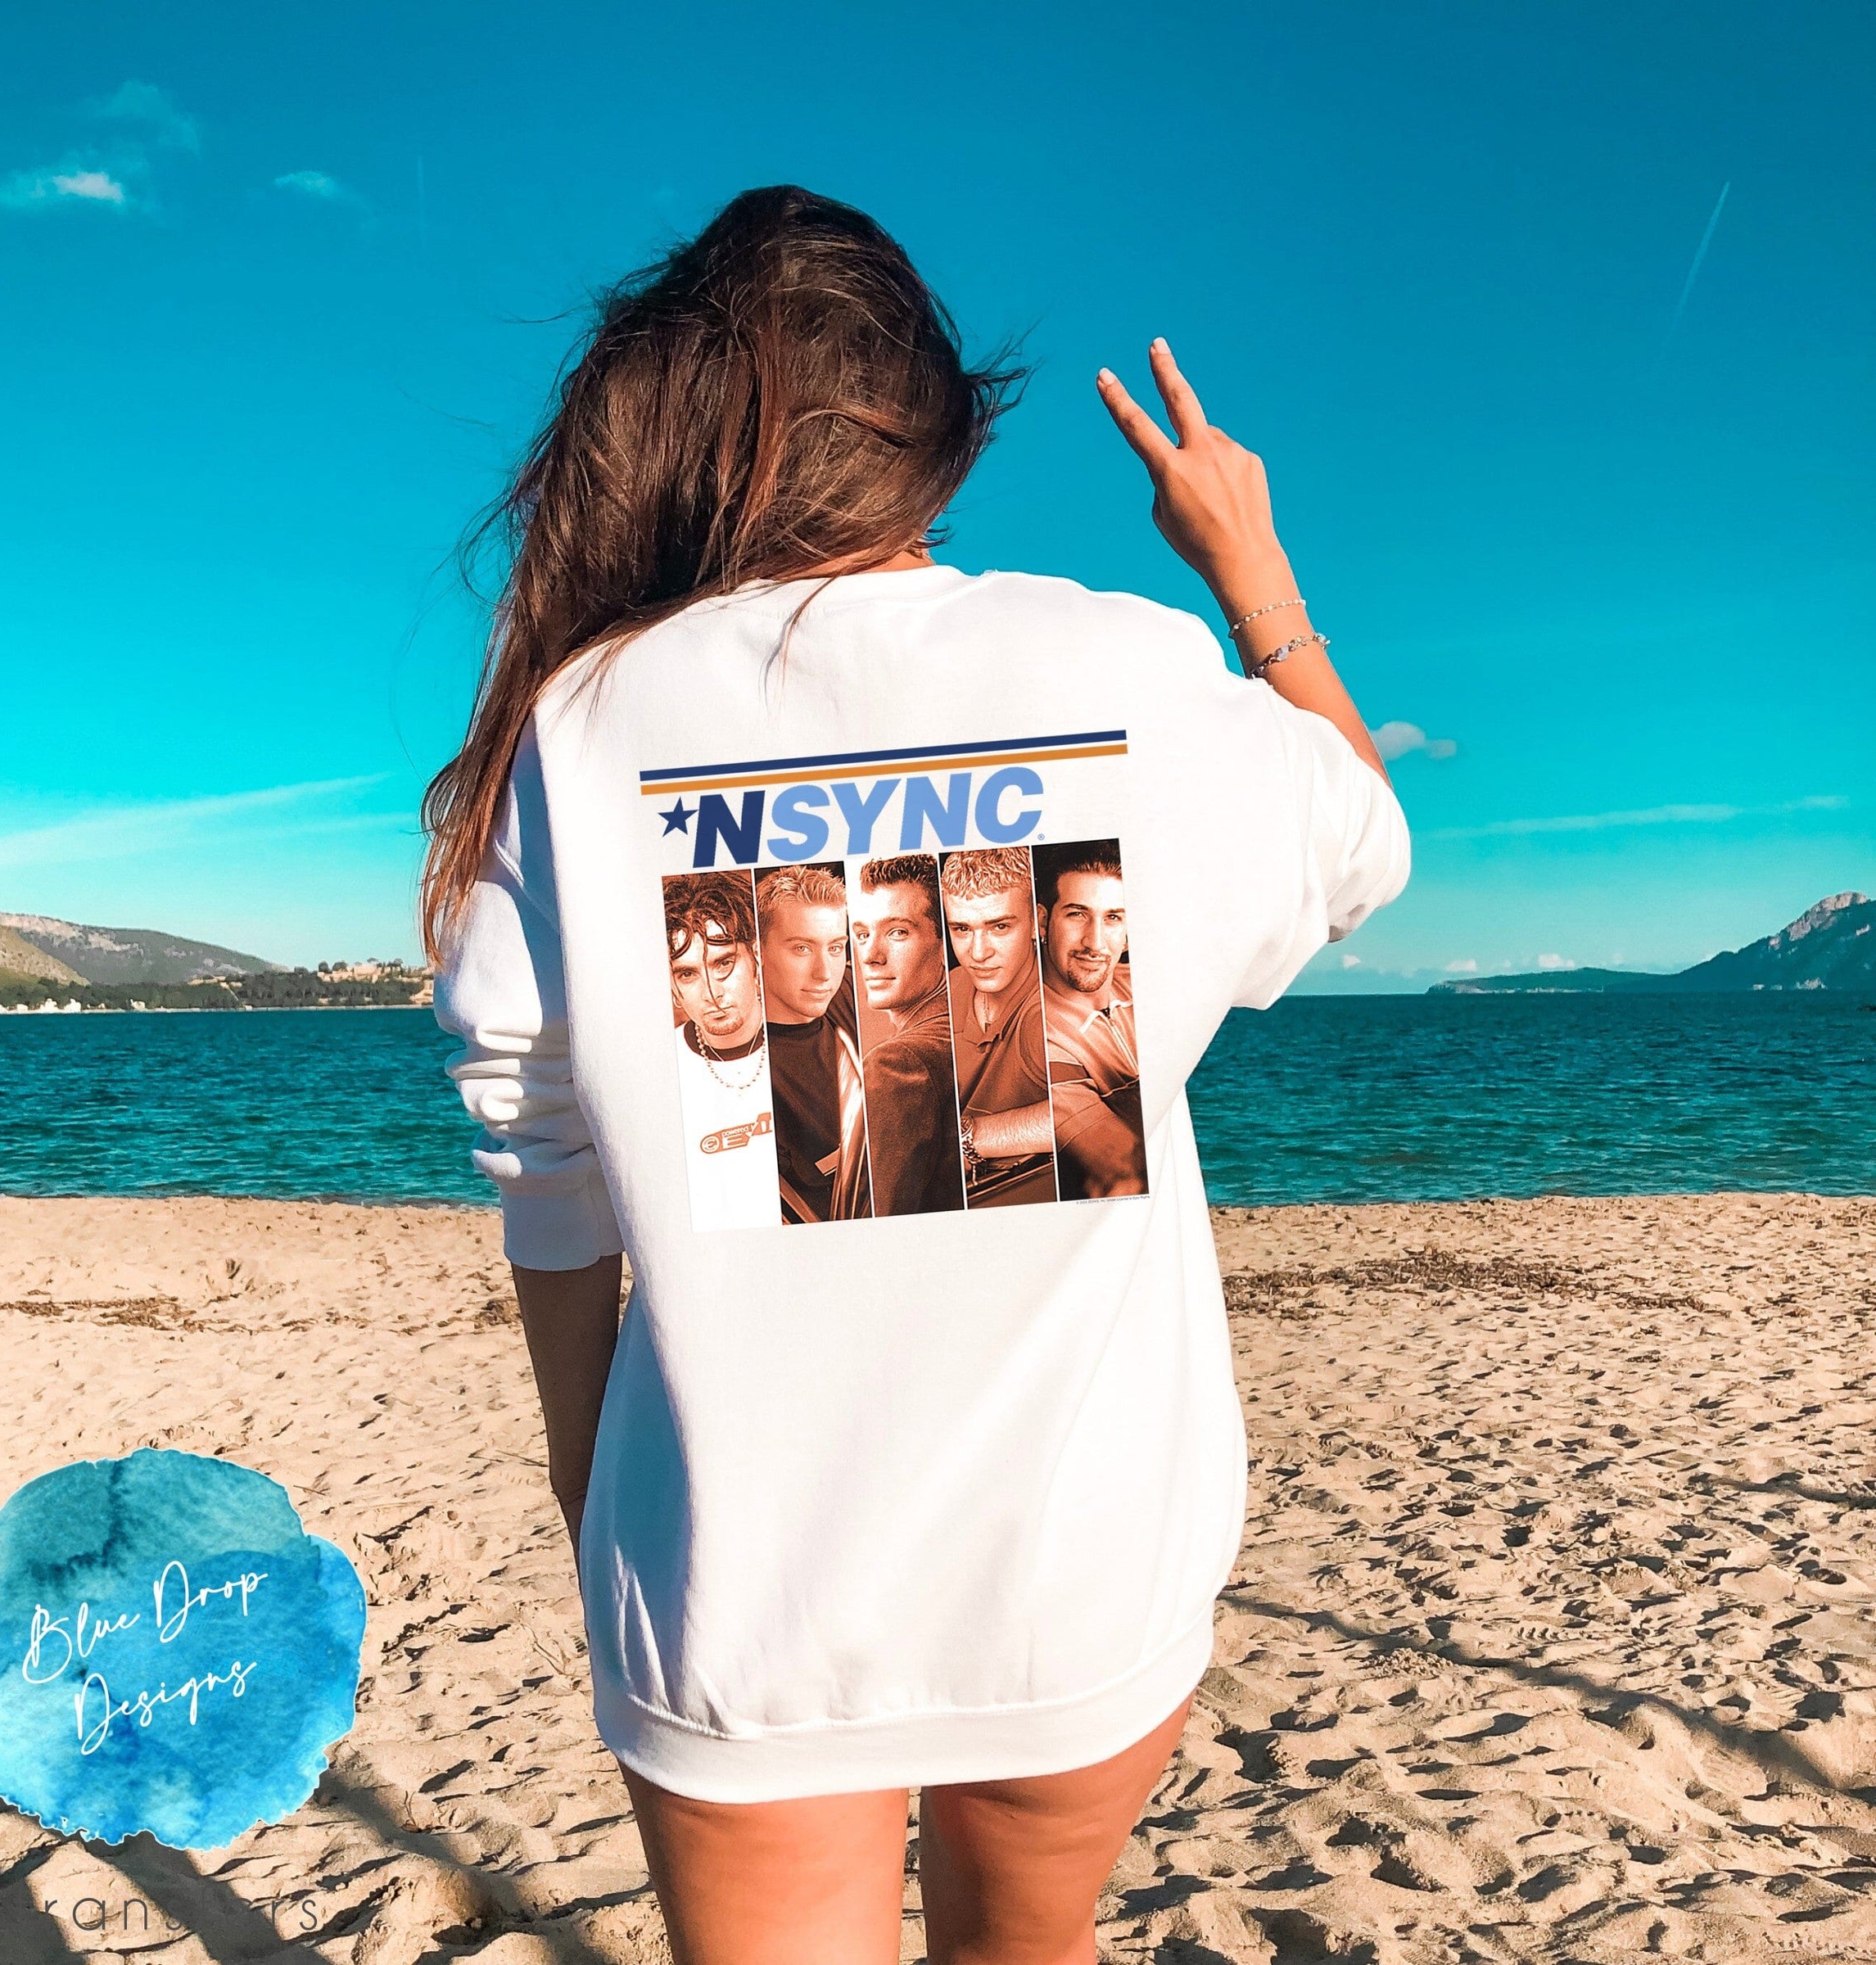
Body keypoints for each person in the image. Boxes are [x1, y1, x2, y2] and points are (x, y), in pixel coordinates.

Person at [430, 186, 1408, 1965]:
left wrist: (597, 1494)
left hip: (738, 1589)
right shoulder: (1131, 667)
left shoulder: (585, 719)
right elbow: (1364, 839)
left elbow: (541, 1158)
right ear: (937, 433)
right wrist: (1252, 576)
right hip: (1078, 1566)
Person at [939, 847, 1057, 1208]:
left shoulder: (1058, 1002)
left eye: (1000, 927)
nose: (978, 953)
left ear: (1038, 922)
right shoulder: (949, 990)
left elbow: (1101, 1111)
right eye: (962, 929)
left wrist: (965, 1139)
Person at [756, 862, 870, 1223]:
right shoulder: (746, 1067)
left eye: (835, 948)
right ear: (758, 951)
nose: (824, 974)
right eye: (802, 948)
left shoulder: (854, 992)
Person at [662, 871, 777, 1231]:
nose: (712, 993)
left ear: (756, 959)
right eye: (687, 974)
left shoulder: (816, 1041)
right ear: (673, 986)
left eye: (723, 963)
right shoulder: (659, 1070)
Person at [851, 854, 964, 1217]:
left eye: (897, 932)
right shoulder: (968, 1034)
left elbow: (886, 1223)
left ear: (945, 944)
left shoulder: (896, 1065)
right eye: (862, 935)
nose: (870, 956)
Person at [1034, 842, 1148, 1201]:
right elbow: (1124, 1168)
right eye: (1077, 914)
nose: (1095, 942)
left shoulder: (1150, 986)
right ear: (1042, 922)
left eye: (1113, 918)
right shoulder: (1039, 1033)